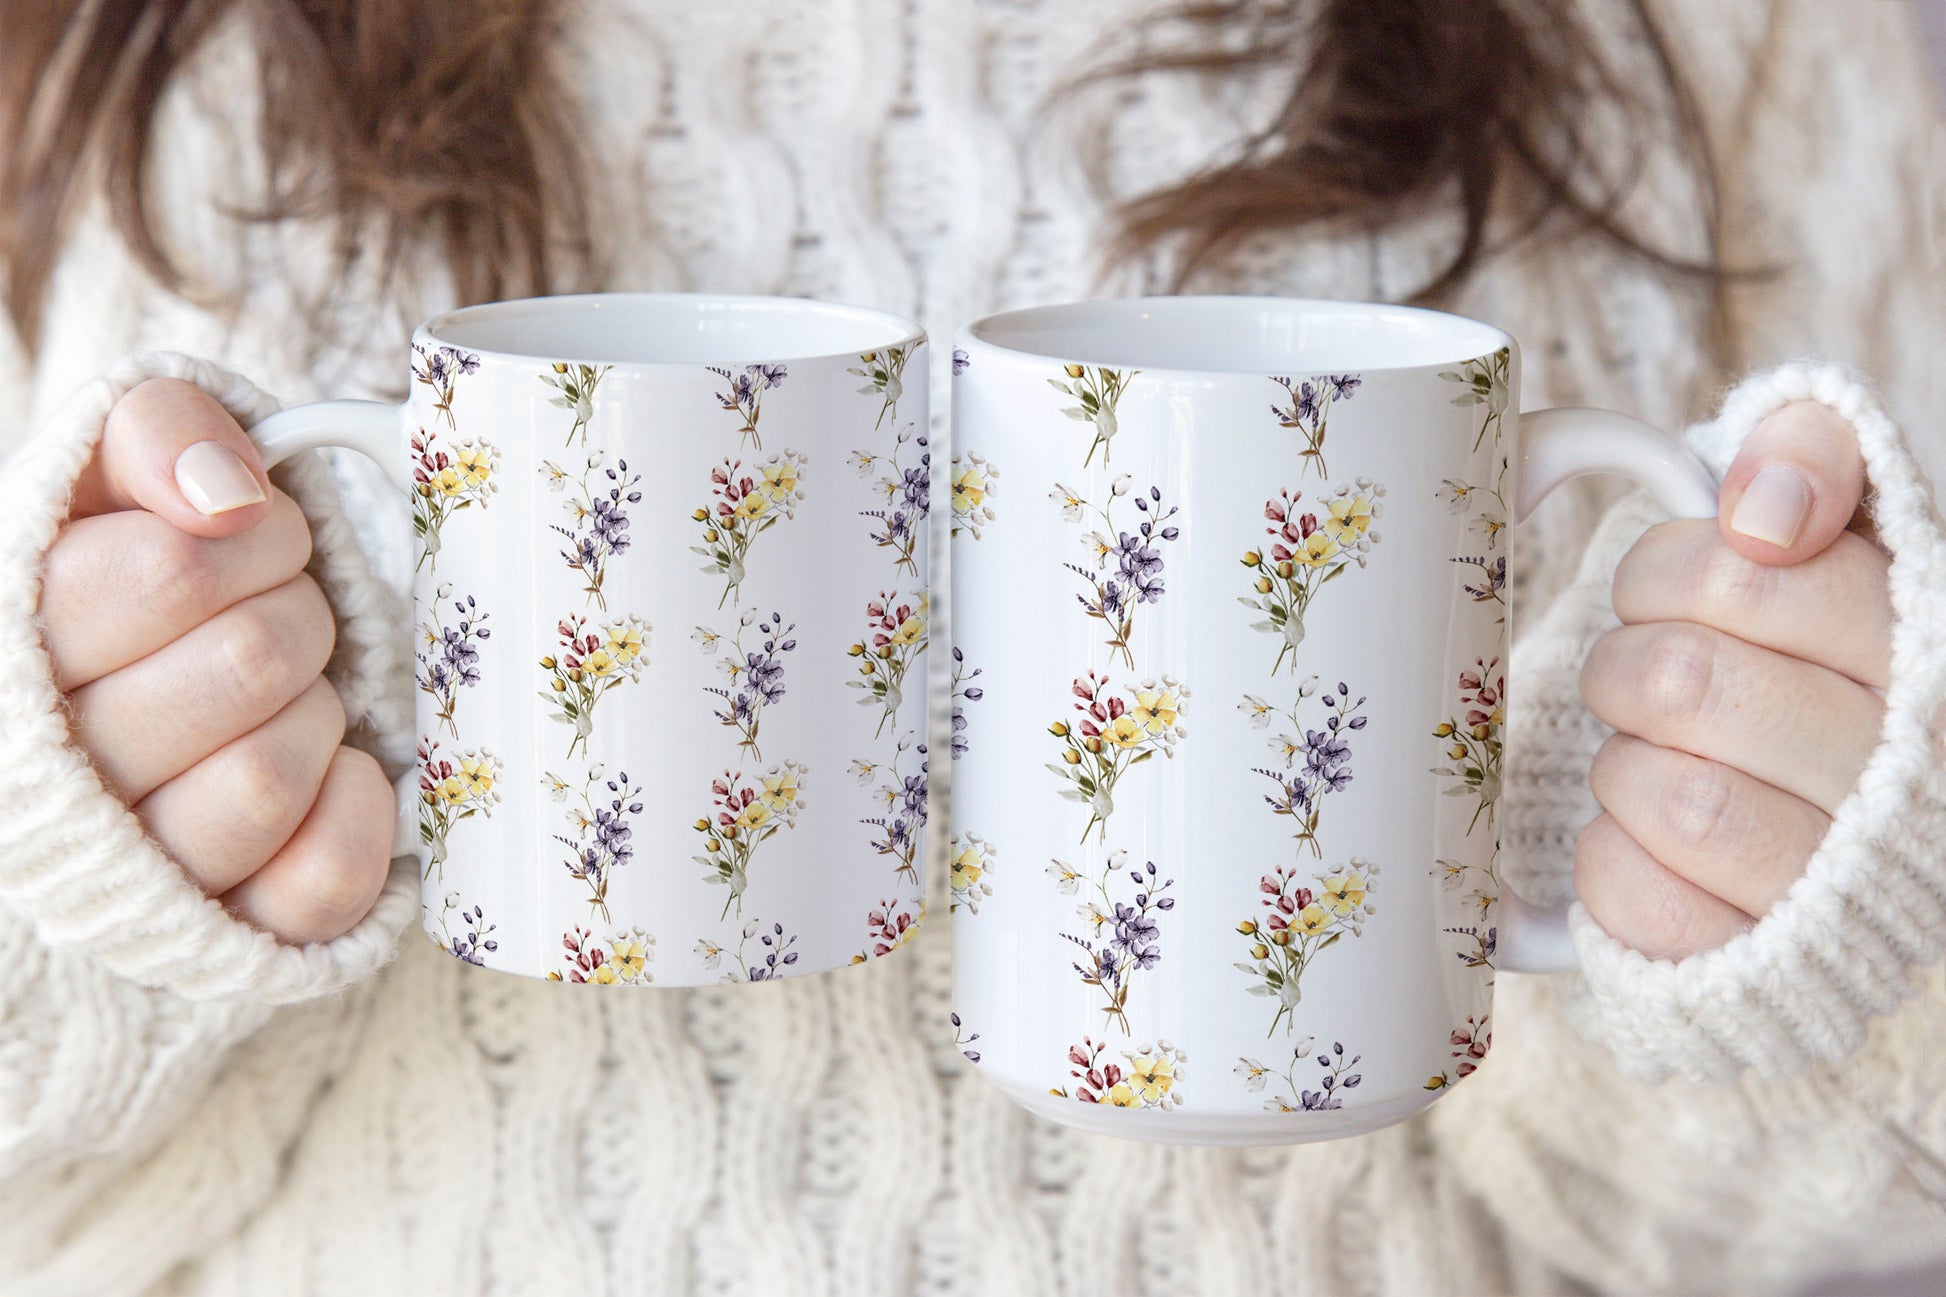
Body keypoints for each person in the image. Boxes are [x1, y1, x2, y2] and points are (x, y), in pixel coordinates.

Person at [0, 1, 1940, 1293]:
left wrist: (1802, 926)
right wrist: (86, 857)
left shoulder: (1734, 33)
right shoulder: (134, 58)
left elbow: (1805, 1182)